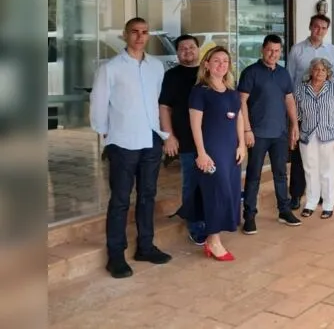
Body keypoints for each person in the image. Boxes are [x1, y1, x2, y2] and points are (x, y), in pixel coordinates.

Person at [90, 17, 171, 278]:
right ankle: (116, 256)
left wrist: (164, 134)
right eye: (134, 32)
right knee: (121, 201)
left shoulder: (156, 67)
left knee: (147, 196)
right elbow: (98, 103)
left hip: (151, 140)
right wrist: (105, 136)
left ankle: (145, 247)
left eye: (144, 32)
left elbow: (160, 102)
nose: (139, 36)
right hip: (123, 141)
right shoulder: (110, 68)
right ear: (125, 35)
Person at [178, 46, 246, 261]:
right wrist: (201, 153)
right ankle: (213, 240)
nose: (221, 65)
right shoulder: (200, 91)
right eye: (216, 60)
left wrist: (242, 144)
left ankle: (213, 238)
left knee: (230, 192)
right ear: (206, 64)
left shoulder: (232, 92)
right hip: (211, 150)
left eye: (225, 61)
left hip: (230, 150)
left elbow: (239, 118)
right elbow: (195, 125)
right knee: (217, 193)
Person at [238, 34, 301, 234]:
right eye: (269, 50)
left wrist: (294, 125)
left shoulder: (283, 74)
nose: (273, 54)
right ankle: (249, 216)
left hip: (279, 133)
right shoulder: (250, 73)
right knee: (254, 176)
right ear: (262, 50)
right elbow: (242, 103)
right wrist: (247, 129)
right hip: (257, 134)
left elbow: (289, 99)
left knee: (281, 174)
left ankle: (284, 210)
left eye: (276, 51)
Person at [286, 14, 334, 210]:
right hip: (303, 110)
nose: (319, 30)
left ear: (327, 30)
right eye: (316, 27)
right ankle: (296, 194)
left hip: (325, 113)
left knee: (323, 158)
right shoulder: (297, 49)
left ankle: (319, 196)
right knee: (302, 158)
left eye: (323, 28)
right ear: (310, 27)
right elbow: (289, 80)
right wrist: (293, 113)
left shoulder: (333, 51)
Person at [159, 34, 204, 245]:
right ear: (177, 53)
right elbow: (164, 107)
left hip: (211, 138)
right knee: (191, 183)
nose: (187, 51)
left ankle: (210, 220)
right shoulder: (172, 76)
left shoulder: (208, 72)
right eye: (183, 48)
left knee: (211, 182)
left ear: (198, 49)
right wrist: (169, 135)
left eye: (191, 47)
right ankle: (194, 224)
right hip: (185, 139)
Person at [294, 58, 334, 219]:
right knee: (310, 171)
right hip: (307, 136)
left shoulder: (333, 87)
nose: (320, 73)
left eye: (323, 70)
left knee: (327, 171)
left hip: (329, 136)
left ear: (328, 73)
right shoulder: (301, 89)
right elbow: (296, 115)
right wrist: (294, 132)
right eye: (317, 69)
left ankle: (328, 205)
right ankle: (311, 202)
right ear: (311, 71)